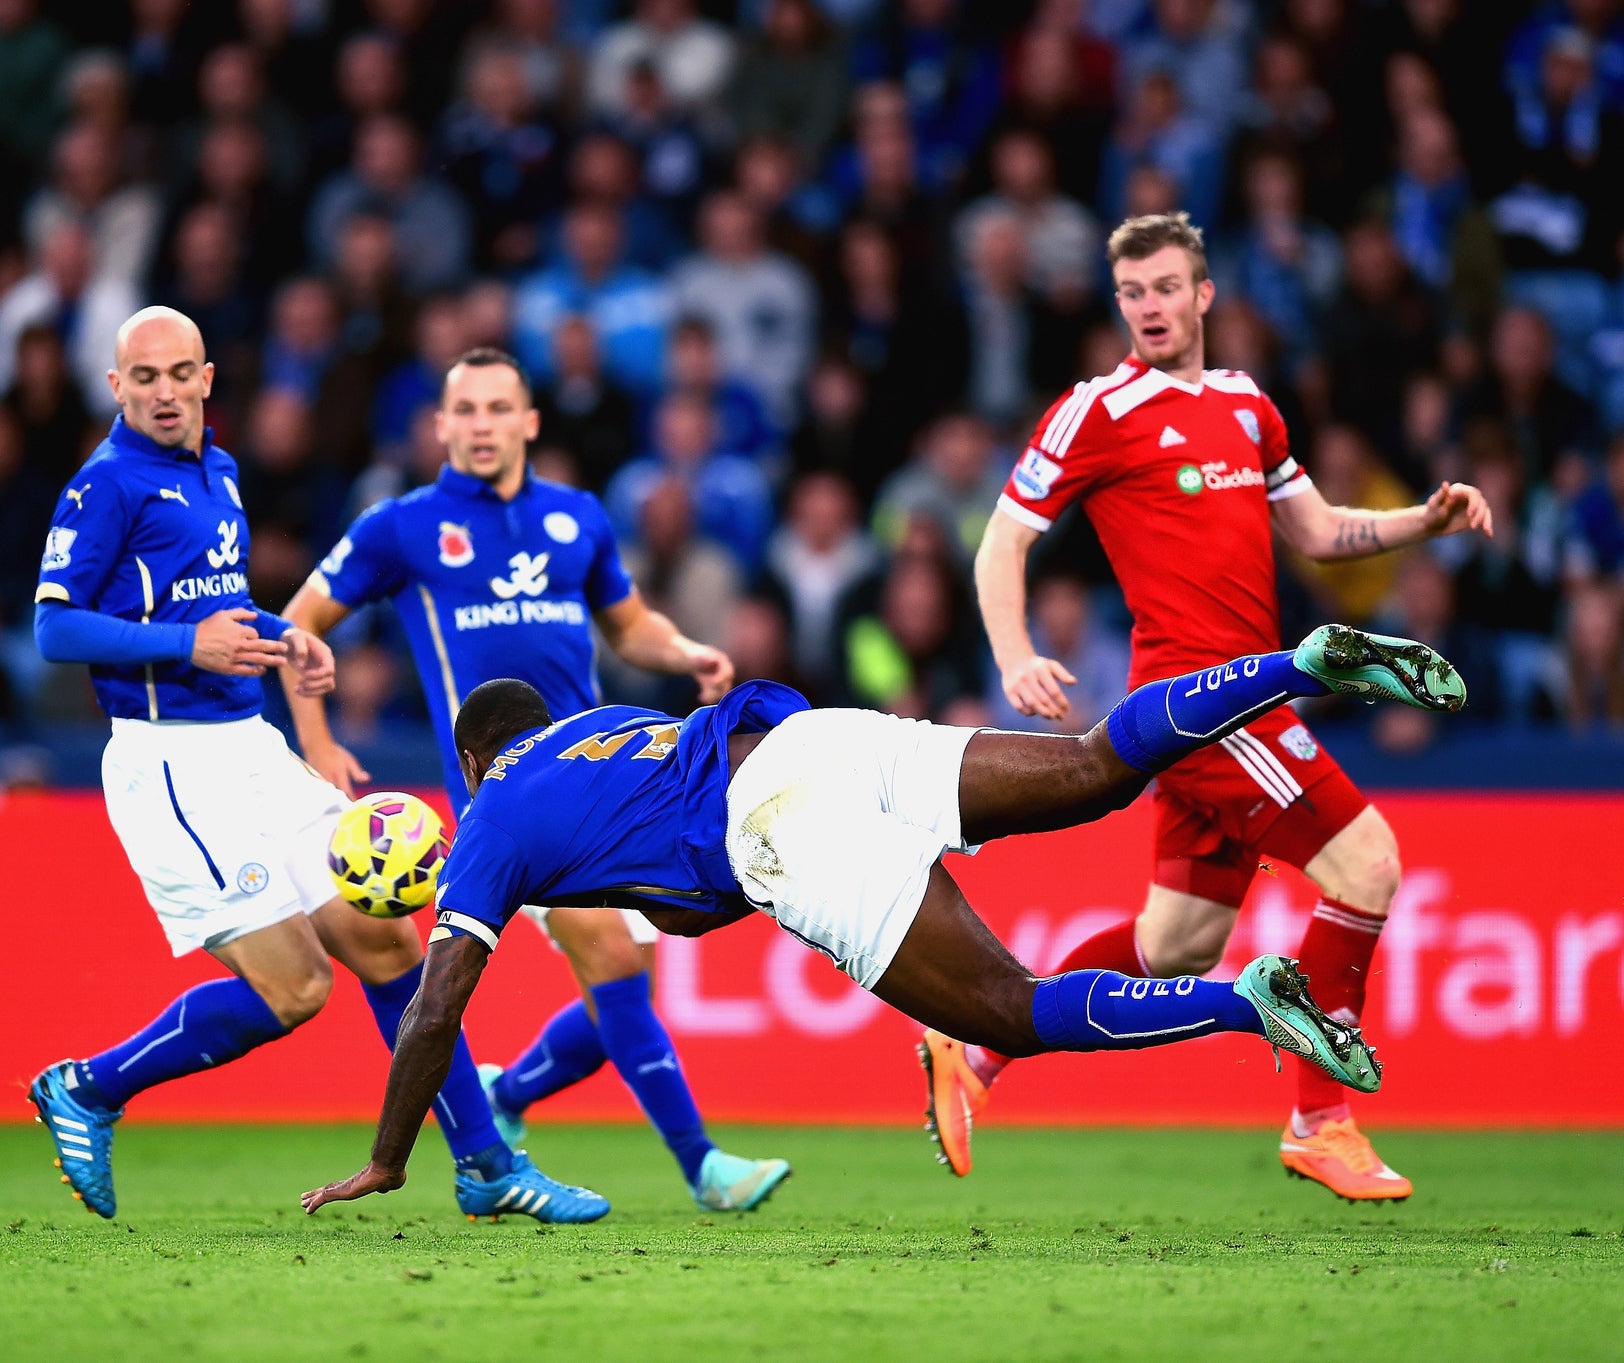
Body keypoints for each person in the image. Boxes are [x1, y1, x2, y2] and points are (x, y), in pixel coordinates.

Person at [300, 623, 1470, 1215]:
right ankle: (1295, 663)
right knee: (1089, 766)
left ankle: (1240, 999)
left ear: (466, 759)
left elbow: (436, 1005)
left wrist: (388, 1156)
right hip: (816, 735)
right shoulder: (589, 726)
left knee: (1007, 1007)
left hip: (776, 824)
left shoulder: (491, 813)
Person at [25, 309, 606, 1224]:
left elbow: (218, 604)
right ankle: (90, 1087)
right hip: (170, 762)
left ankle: (488, 1165)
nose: (166, 393)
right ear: (117, 388)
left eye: (181, 374)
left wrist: (284, 635)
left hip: (251, 745)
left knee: (389, 938)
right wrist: (189, 642)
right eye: (145, 379)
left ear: (208, 378)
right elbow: (54, 624)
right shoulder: (106, 487)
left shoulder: (217, 470)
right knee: (296, 987)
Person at [970, 212, 1493, 1202]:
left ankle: (978, 1046)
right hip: (1200, 704)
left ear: (1203, 295)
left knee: (1176, 945)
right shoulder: (1094, 410)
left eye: (1164, 287)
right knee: (1368, 862)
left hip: (1243, 694)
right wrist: (1013, 655)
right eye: (1129, 293)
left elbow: (1320, 532)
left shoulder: (1247, 406)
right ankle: (1317, 1118)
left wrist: (1418, 521)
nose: (1147, 308)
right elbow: (1000, 541)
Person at [281, 347, 791, 1214]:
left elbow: (628, 627)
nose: (481, 424)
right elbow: (300, 622)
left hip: (609, 787)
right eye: (465, 410)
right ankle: (703, 1165)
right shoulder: (400, 526)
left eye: (498, 408)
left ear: (530, 422)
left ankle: (507, 1097)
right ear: (441, 426)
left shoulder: (577, 519)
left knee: (621, 997)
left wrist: (685, 652)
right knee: (611, 965)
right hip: (507, 800)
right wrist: (318, 739)